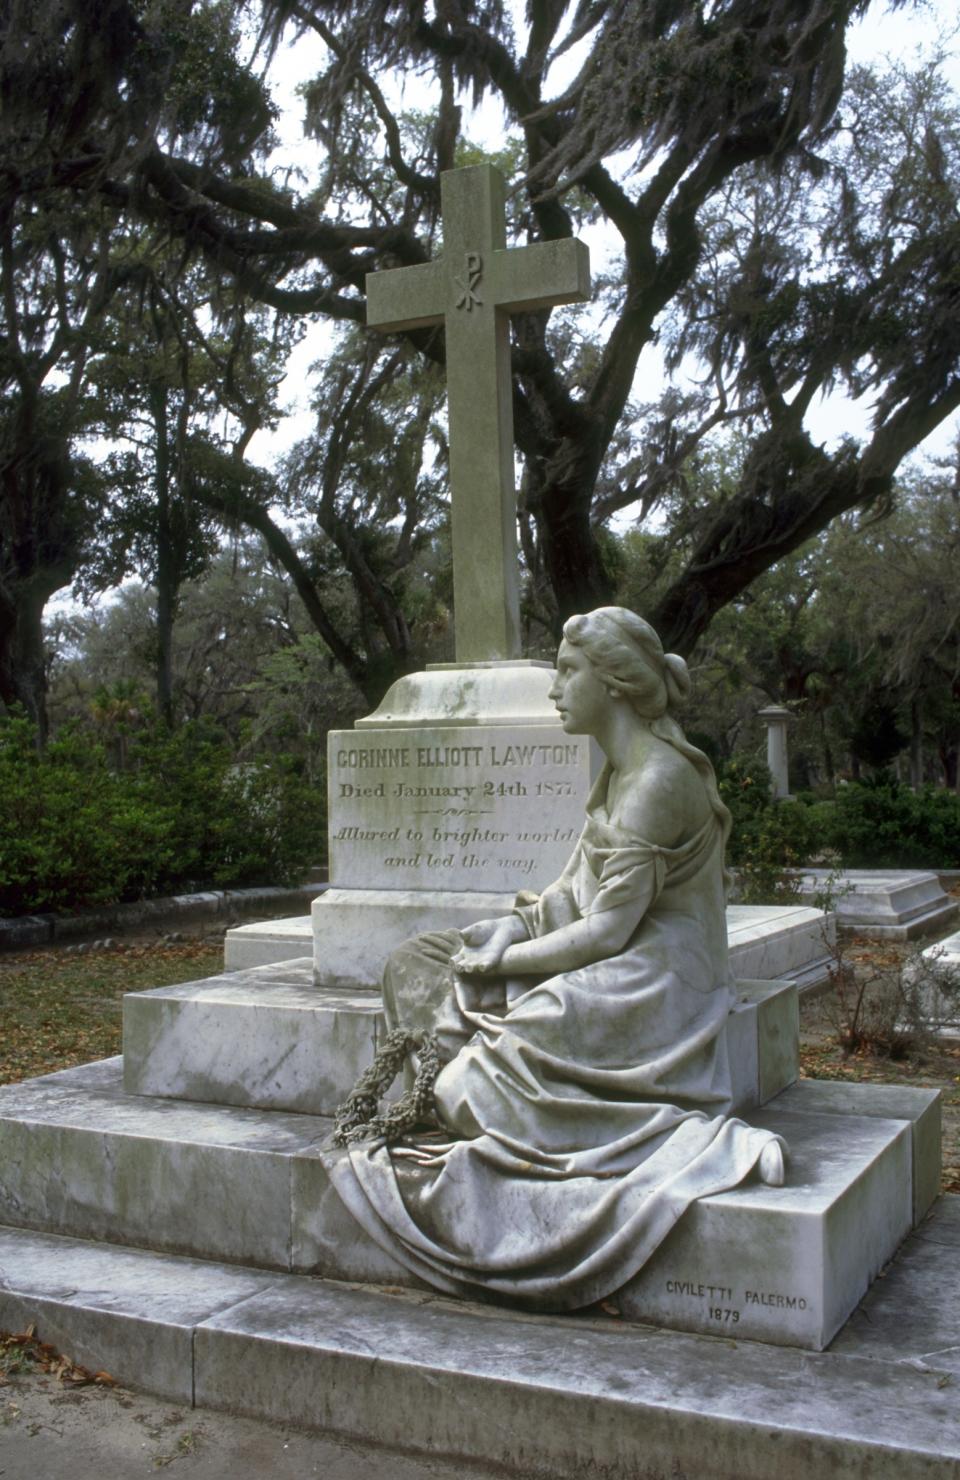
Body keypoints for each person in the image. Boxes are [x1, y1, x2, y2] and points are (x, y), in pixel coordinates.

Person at [323, 607, 785, 1311]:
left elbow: (606, 931)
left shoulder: (658, 781)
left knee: (492, 1049)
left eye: (569, 672)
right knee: (416, 962)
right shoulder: (617, 772)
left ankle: (666, 1134)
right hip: (615, 946)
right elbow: (571, 894)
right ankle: (469, 1090)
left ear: (617, 683)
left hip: (659, 974)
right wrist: (506, 930)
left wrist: (503, 966)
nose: (555, 688)